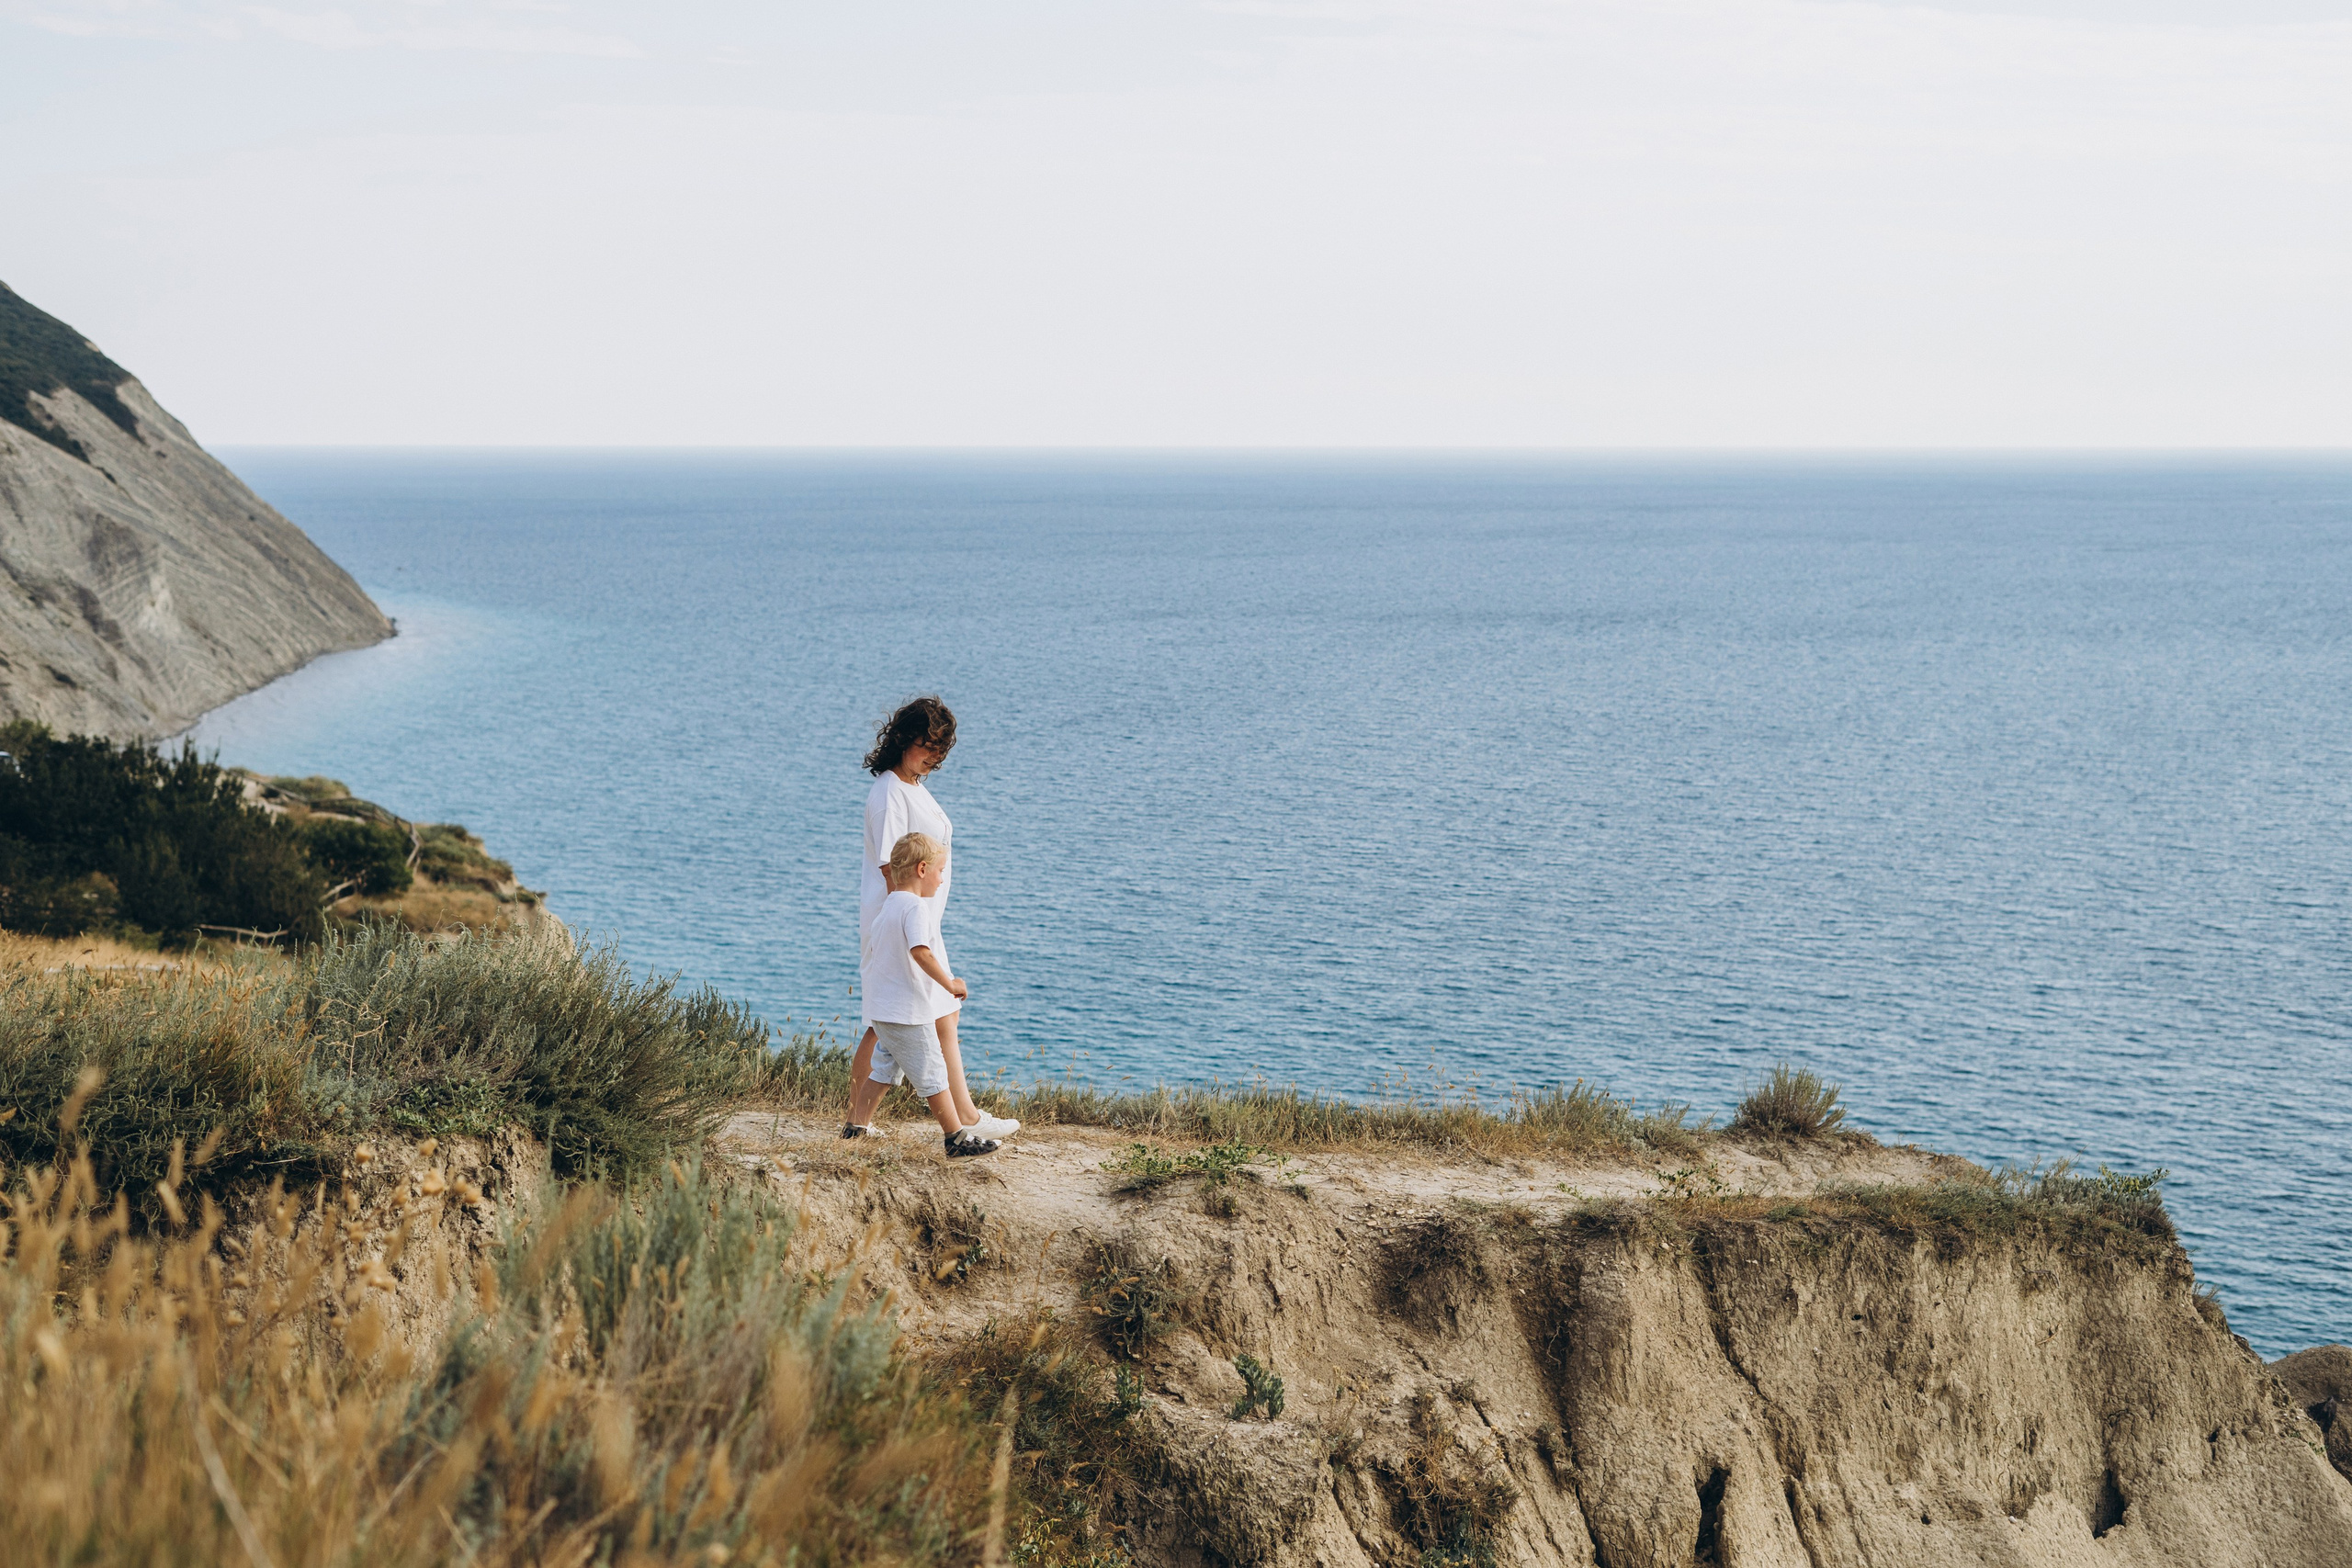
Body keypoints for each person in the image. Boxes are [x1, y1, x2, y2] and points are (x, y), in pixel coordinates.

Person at [844, 694, 1019, 1141]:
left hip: (920, 919)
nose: (935, 755)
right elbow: (890, 868)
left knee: (943, 1015)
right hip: (900, 921)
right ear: (905, 739)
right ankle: (857, 1120)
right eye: (928, 744)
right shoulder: (889, 793)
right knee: (880, 1022)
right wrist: (902, 930)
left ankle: (967, 1116)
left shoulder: (913, 785)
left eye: (941, 748)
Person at [847, 832, 999, 1157]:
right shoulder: (916, 908)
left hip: (884, 1010)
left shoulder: (888, 906)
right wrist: (950, 984)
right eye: (941, 871)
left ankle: (855, 1127)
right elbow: (921, 952)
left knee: (885, 1070)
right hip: (907, 1014)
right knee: (933, 1072)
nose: (943, 880)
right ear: (922, 869)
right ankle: (955, 1138)